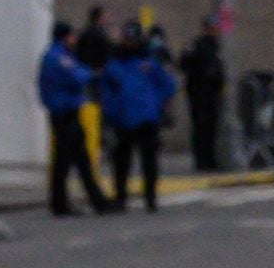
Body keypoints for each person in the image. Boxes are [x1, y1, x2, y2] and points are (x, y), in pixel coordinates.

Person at [98, 13, 177, 207]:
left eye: (133, 39)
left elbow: (168, 85)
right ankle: (121, 197)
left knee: (149, 160)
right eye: (127, 39)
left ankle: (150, 197)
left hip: (146, 118)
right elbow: (104, 88)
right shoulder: (114, 63)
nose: (130, 43)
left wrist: (154, 102)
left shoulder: (149, 62)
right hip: (122, 118)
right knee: (121, 161)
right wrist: (112, 108)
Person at [37, 16, 103, 215]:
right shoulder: (60, 57)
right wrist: (90, 73)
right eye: (72, 35)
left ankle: (62, 202)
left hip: (61, 111)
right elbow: (78, 76)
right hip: (66, 111)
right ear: (65, 37)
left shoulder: (54, 54)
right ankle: (93, 200)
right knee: (74, 159)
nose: (75, 39)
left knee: (66, 159)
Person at [180, 18, 229, 174]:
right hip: (199, 92)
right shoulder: (198, 45)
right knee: (201, 127)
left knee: (210, 128)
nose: (214, 31)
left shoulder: (214, 47)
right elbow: (185, 63)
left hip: (211, 93)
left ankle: (209, 159)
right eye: (212, 28)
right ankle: (201, 160)